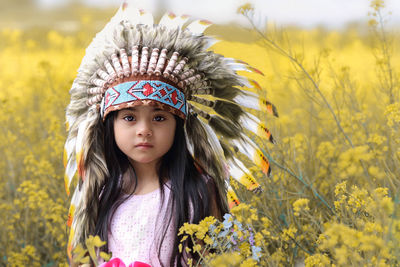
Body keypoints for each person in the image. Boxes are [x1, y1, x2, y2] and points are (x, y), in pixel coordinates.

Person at [64, 2, 276, 266]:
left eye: (160, 117)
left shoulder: (197, 191)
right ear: (109, 125)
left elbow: (220, 259)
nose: (144, 130)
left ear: (179, 125)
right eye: (129, 118)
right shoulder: (103, 194)